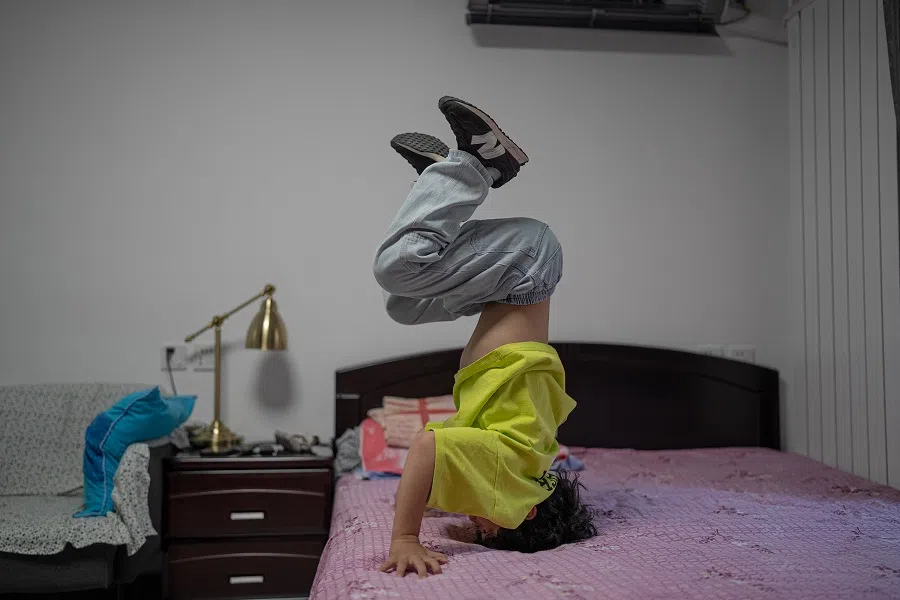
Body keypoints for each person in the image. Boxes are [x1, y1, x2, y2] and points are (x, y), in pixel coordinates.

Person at [373, 96, 597, 578]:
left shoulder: (520, 466)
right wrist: (405, 537)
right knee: (395, 271)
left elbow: (443, 468)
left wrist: (434, 500)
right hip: (525, 264)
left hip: (519, 272)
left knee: (403, 306)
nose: (474, 525)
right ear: (526, 511)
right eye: (486, 531)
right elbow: (427, 448)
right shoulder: (510, 480)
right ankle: (479, 163)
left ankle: (438, 181)